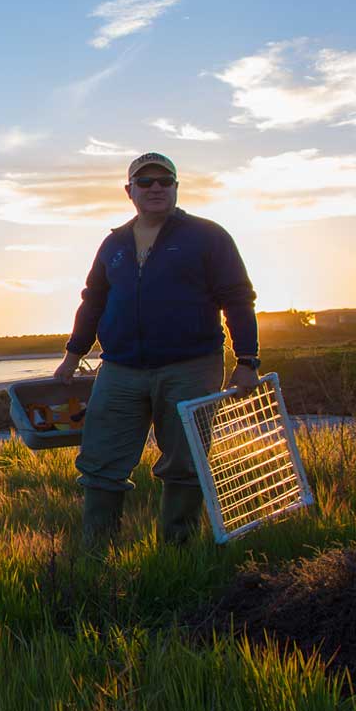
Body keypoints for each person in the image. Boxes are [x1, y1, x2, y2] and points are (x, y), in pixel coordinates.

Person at [53, 151, 260, 546]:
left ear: (176, 188)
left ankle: (177, 551)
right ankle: (97, 553)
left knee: (185, 460)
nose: (155, 188)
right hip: (119, 369)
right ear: (129, 190)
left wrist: (247, 360)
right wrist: (73, 355)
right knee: (100, 462)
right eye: (145, 182)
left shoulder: (208, 236)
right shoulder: (113, 243)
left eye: (164, 181)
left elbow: (237, 298)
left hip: (191, 366)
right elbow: (93, 300)